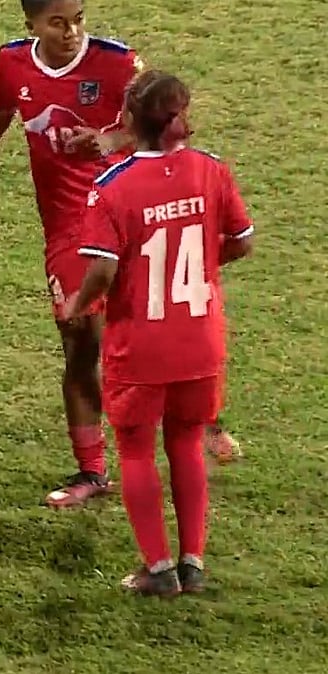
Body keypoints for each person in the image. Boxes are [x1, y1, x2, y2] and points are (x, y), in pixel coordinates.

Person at [63, 71, 254, 595]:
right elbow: (241, 240)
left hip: (141, 344)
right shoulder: (212, 170)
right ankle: (193, 561)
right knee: (189, 444)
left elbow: (100, 273)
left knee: (136, 451)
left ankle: (159, 567)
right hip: (200, 338)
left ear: (128, 121)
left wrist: (78, 305)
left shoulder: (112, 188)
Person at [0, 0, 141, 507]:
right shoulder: (12, 62)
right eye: (59, 22)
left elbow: (170, 120)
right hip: (69, 229)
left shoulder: (118, 62)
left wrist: (109, 137)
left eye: (78, 17)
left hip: (130, 216)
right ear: (31, 25)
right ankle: (93, 470)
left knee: (149, 330)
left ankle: (199, 421)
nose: (73, 31)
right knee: (80, 339)